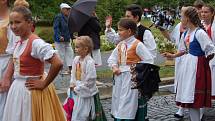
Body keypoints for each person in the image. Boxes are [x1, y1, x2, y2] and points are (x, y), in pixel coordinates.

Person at [2, 6, 66, 121]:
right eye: (11, 23)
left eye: (17, 22)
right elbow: (14, 59)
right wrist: (7, 77)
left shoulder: (36, 43)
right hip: (17, 90)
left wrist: (44, 83)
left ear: (29, 23)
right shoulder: (20, 41)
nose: (13, 26)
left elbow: (58, 63)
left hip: (30, 92)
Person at [107, 18, 153, 120]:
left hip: (131, 79)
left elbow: (149, 60)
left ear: (129, 31)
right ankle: (119, 117)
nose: (118, 33)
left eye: (120, 30)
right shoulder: (120, 44)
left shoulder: (137, 44)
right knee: (118, 99)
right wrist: (114, 66)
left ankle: (127, 118)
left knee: (127, 101)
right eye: (118, 30)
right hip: (119, 78)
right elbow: (112, 58)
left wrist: (135, 68)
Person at [175, 6, 215, 121]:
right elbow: (183, 50)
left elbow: (210, 49)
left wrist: (201, 63)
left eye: (182, 16)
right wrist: (172, 55)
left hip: (196, 69)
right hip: (187, 68)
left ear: (187, 18)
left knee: (194, 99)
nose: (181, 19)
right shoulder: (186, 33)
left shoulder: (199, 33)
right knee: (189, 99)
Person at [159, 6, 188, 119]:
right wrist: (162, 29)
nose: (180, 14)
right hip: (179, 58)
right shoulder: (178, 26)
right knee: (180, 82)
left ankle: (197, 107)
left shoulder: (196, 27)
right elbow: (172, 39)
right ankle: (181, 107)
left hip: (191, 58)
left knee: (190, 83)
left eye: (183, 12)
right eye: (181, 12)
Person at [70, 36, 107, 121]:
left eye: (77, 47)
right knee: (77, 111)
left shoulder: (89, 62)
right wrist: (73, 83)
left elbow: (90, 80)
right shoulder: (76, 59)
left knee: (85, 113)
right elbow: (73, 72)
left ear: (86, 49)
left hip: (86, 92)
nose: (75, 49)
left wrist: (78, 88)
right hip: (77, 90)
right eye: (75, 47)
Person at [0, 0, 19, 121]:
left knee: (4, 102)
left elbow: (16, 50)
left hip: (5, 64)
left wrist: (7, 76)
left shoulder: (12, 21)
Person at [53, 3, 74, 74]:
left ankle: (70, 69)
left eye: (69, 9)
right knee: (60, 54)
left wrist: (73, 36)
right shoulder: (58, 17)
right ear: (62, 10)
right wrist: (59, 36)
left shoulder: (68, 17)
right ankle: (60, 69)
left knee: (70, 53)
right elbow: (56, 28)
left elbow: (69, 28)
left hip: (67, 39)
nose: (68, 11)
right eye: (67, 9)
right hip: (60, 40)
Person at [201, 4, 215, 100]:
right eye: (202, 12)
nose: (203, 14)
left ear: (212, 13)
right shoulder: (198, 25)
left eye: (206, 12)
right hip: (202, 57)